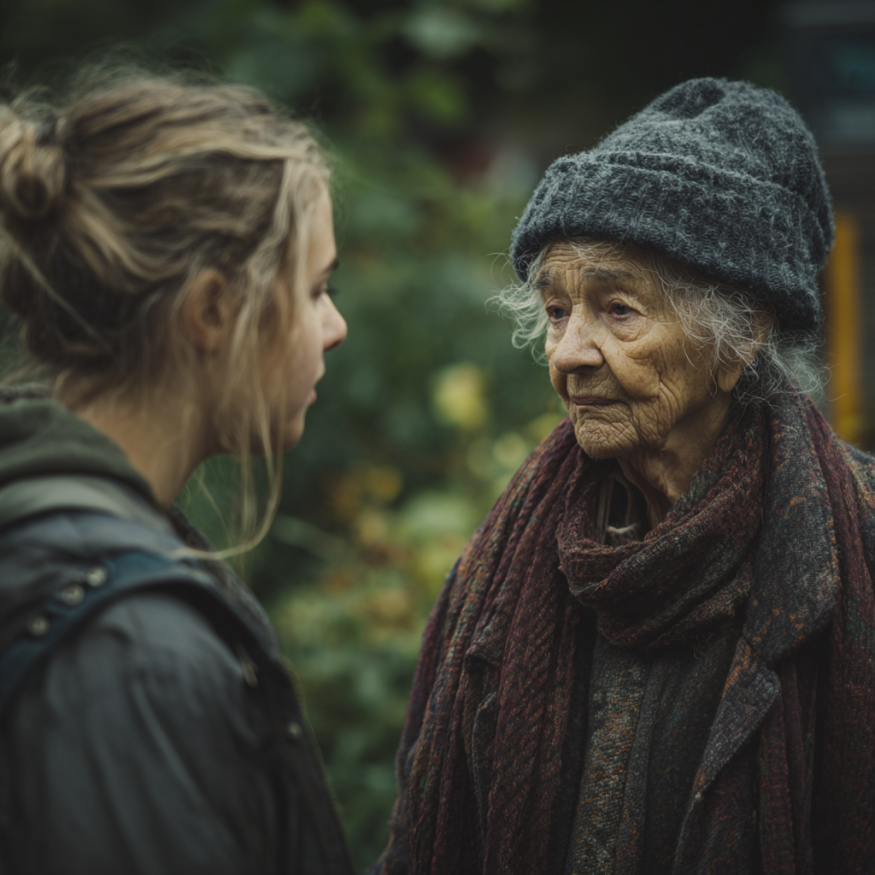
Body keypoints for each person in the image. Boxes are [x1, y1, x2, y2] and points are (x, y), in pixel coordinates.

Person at [373, 78, 875, 874]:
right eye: (554, 310)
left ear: (739, 334)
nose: (567, 352)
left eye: (616, 310)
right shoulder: (506, 561)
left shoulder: (857, 546)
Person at [0, 68, 353, 874]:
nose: (334, 326)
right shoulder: (131, 656)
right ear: (211, 311)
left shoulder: (62, 528)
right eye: (314, 288)